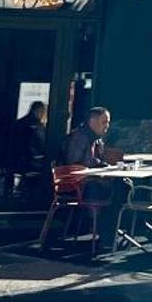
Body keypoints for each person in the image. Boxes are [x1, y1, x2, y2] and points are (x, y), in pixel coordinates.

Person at [56, 105, 121, 258]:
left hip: (88, 181)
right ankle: (106, 235)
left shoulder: (97, 140)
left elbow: (97, 161)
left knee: (121, 187)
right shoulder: (79, 138)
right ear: (92, 121)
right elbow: (74, 164)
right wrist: (98, 168)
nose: (107, 126)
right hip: (74, 184)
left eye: (108, 123)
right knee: (104, 191)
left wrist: (104, 166)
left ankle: (110, 234)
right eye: (104, 122)